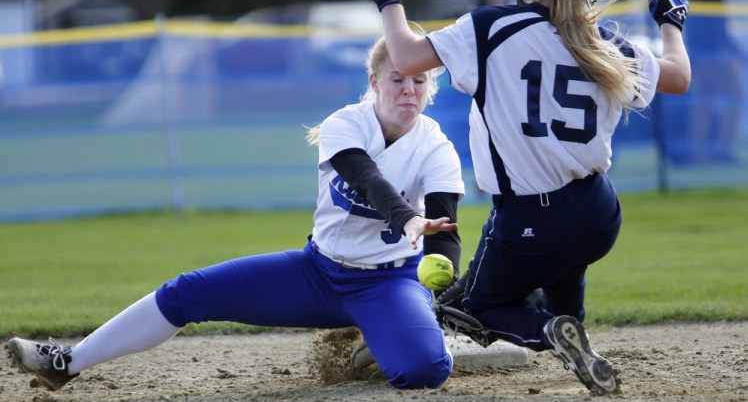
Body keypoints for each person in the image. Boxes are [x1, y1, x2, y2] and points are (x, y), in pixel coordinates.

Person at [6, 36, 466, 392]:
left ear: (431, 87)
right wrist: (407, 217)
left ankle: (390, 334)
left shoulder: (436, 148)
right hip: (317, 273)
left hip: (387, 283)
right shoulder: (348, 122)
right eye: (397, 79)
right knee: (187, 293)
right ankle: (66, 362)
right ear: (373, 83)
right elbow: (366, 177)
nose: (409, 90)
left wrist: (436, 279)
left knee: (423, 369)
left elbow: (445, 233)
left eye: (419, 81)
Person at [357, 0, 690, 395]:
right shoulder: (606, 42)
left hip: (530, 218)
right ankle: (568, 327)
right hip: (599, 213)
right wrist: (670, 22)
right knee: (560, 274)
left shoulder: (493, 26)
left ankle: (551, 334)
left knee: (475, 308)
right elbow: (679, 77)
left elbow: (406, 58)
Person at [674, 0, 745, 164]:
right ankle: (718, 150)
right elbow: (712, 28)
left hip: (703, 55)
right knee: (734, 95)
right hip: (709, 56)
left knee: (702, 105)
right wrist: (730, 51)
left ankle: (700, 152)